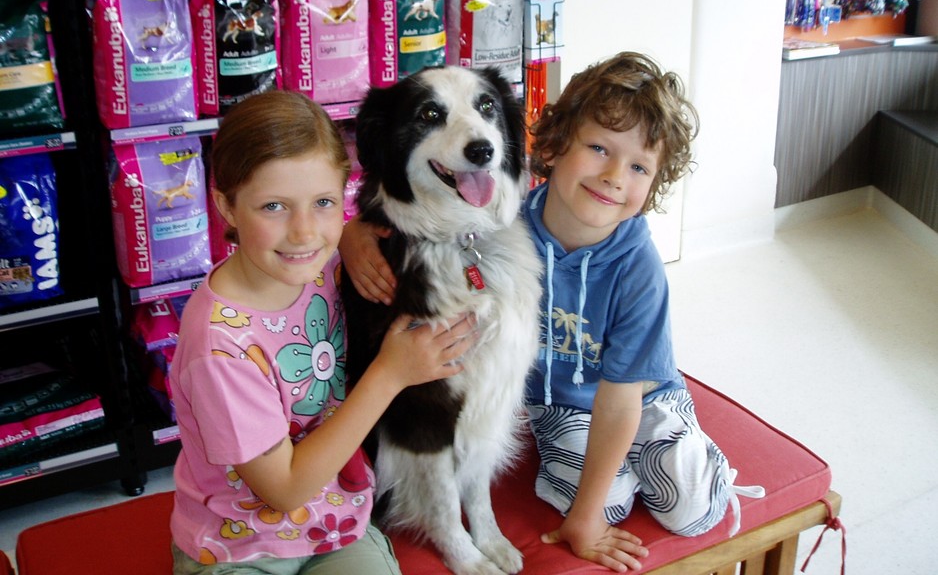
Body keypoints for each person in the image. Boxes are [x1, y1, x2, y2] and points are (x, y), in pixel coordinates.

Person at [341, 53, 763, 573]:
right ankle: (619, 472)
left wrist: (584, 521)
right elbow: (434, 224)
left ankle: (696, 455)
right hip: (557, 407)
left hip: (635, 399)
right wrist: (353, 231)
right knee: (605, 498)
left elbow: (619, 400)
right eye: (598, 149)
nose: (613, 177)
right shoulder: (511, 224)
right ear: (556, 144)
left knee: (690, 507)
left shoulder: (638, 268)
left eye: (637, 167)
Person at [169, 91, 476, 575]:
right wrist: (390, 375)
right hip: (238, 547)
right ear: (226, 205)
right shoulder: (218, 347)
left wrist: (352, 235)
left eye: (324, 203)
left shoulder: (324, 266)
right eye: (274, 206)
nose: (304, 232)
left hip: (333, 525)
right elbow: (285, 488)